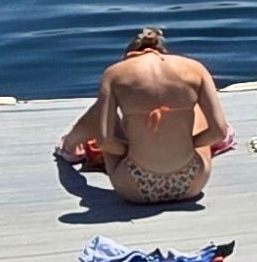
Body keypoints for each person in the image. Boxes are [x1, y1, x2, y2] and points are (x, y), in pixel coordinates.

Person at [58, 28, 235, 205]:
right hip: (193, 183)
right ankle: (223, 139)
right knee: (196, 109)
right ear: (161, 51)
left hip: (134, 186)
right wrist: (188, 144)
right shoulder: (194, 68)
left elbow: (105, 143)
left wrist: (130, 150)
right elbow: (217, 131)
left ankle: (69, 148)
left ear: (129, 55)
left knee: (97, 113)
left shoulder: (115, 74)